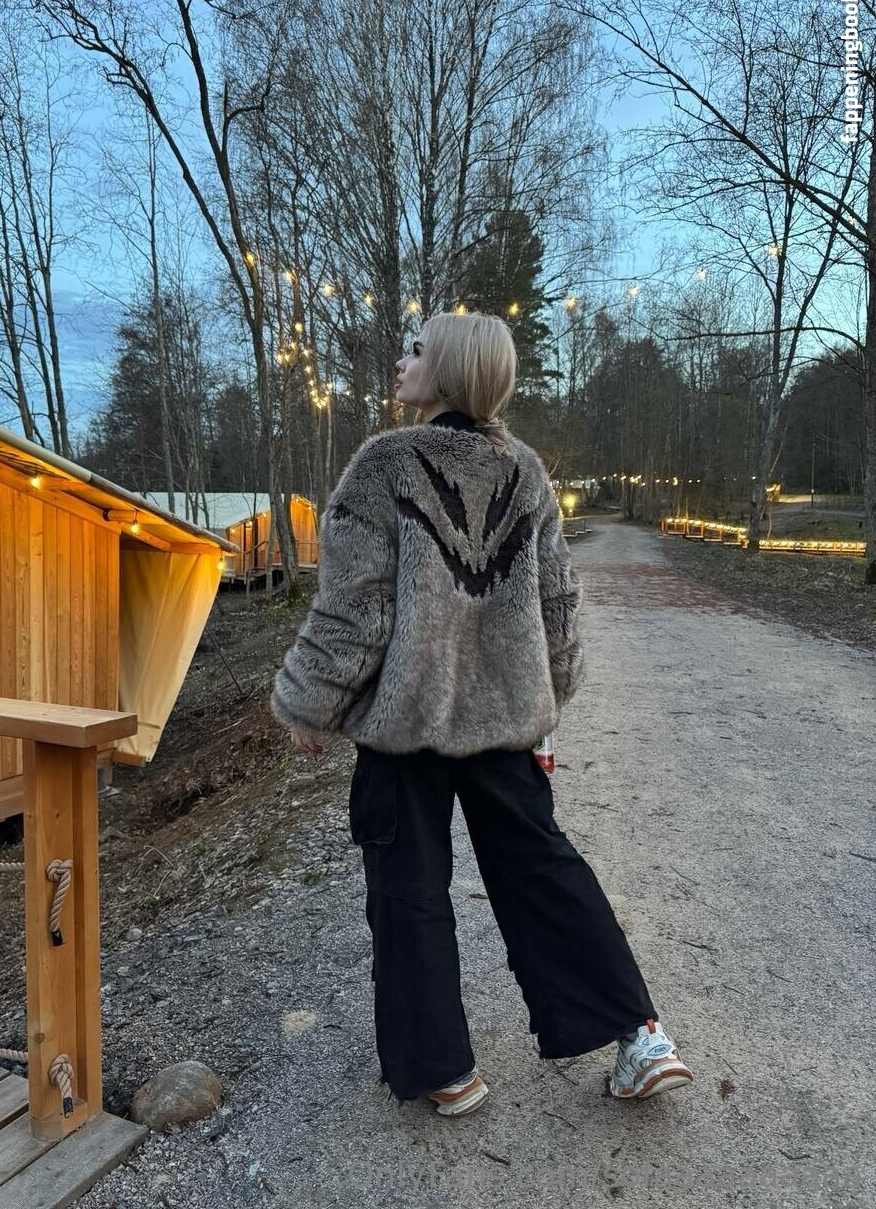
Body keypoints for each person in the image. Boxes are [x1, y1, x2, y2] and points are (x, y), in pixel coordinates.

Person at [270, 310, 693, 1117]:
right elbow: (558, 603)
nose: (402, 361)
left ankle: (446, 1071)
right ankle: (640, 1036)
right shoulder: (526, 471)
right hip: (504, 721)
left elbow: (356, 610)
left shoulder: (383, 465)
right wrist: (548, 699)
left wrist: (308, 705)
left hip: (405, 728)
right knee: (543, 869)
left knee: (408, 888)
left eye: (416, 350)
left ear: (450, 371)